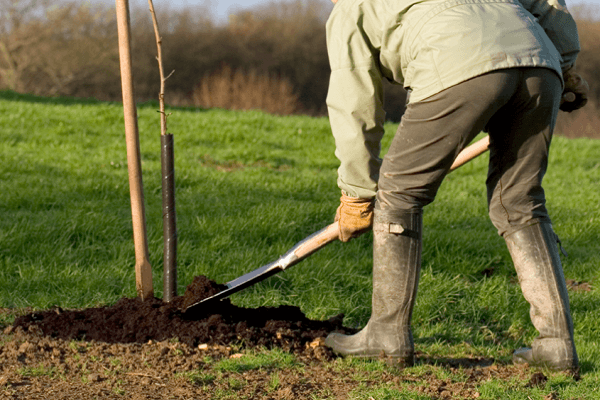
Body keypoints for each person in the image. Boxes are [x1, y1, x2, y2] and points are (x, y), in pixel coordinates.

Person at [324, 0, 588, 372]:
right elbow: (549, 7)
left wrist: (356, 192)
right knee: (519, 200)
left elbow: (355, 105)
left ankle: (387, 335)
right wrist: (563, 65)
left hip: (457, 61)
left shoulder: (351, 8)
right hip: (538, 60)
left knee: (398, 191)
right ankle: (557, 346)